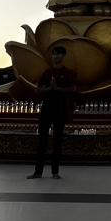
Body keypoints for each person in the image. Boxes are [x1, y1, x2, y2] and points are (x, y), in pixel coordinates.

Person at [28, 45, 76, 179]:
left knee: (57, 141)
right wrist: (50, 88)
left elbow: (72, 89)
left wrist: (57, 88)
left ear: (63, 56)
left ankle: (55, 172)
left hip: (60, 109)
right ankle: (38, 172)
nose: (56, 56)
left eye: (59, 54)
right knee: (42, 140)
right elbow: (38, 89)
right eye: (54, 54)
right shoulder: (47, 73)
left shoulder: (68, 73)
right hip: (47, 109)